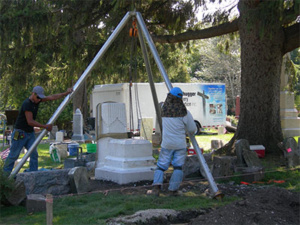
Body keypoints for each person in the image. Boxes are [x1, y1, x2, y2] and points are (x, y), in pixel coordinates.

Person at [3, 86, 73, 175]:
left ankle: (33, 174)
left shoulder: (37, 100)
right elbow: (30, 121)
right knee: (13, 155)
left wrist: (65, 93)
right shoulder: (27, 104)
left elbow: (52, 97)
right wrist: (45, 126)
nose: (39, 100)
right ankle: (5, 177)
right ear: (33, 94)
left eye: (40, 98)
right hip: (20, 133)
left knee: (34, 154)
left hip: (29, 133)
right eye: (38, 97)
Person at [148, 87, 197, 196]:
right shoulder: (185, 113)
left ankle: (156, 188)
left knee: (161, 166)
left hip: (167, 143)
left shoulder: (164, 110)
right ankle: (173, 190)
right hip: (180, 144)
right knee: (178, 167)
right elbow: (192, 129)